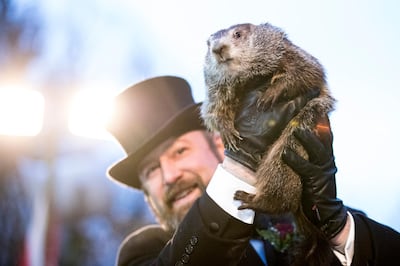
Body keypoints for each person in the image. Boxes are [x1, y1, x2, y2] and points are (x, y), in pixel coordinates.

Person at [106, 76, 400, 266]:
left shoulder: (296, 222)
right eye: (151, 171)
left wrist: (336, 229)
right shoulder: (143, 251)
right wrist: (242, 167)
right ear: (146, 196)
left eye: (180, 151)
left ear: (220, 147)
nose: (170, 176)